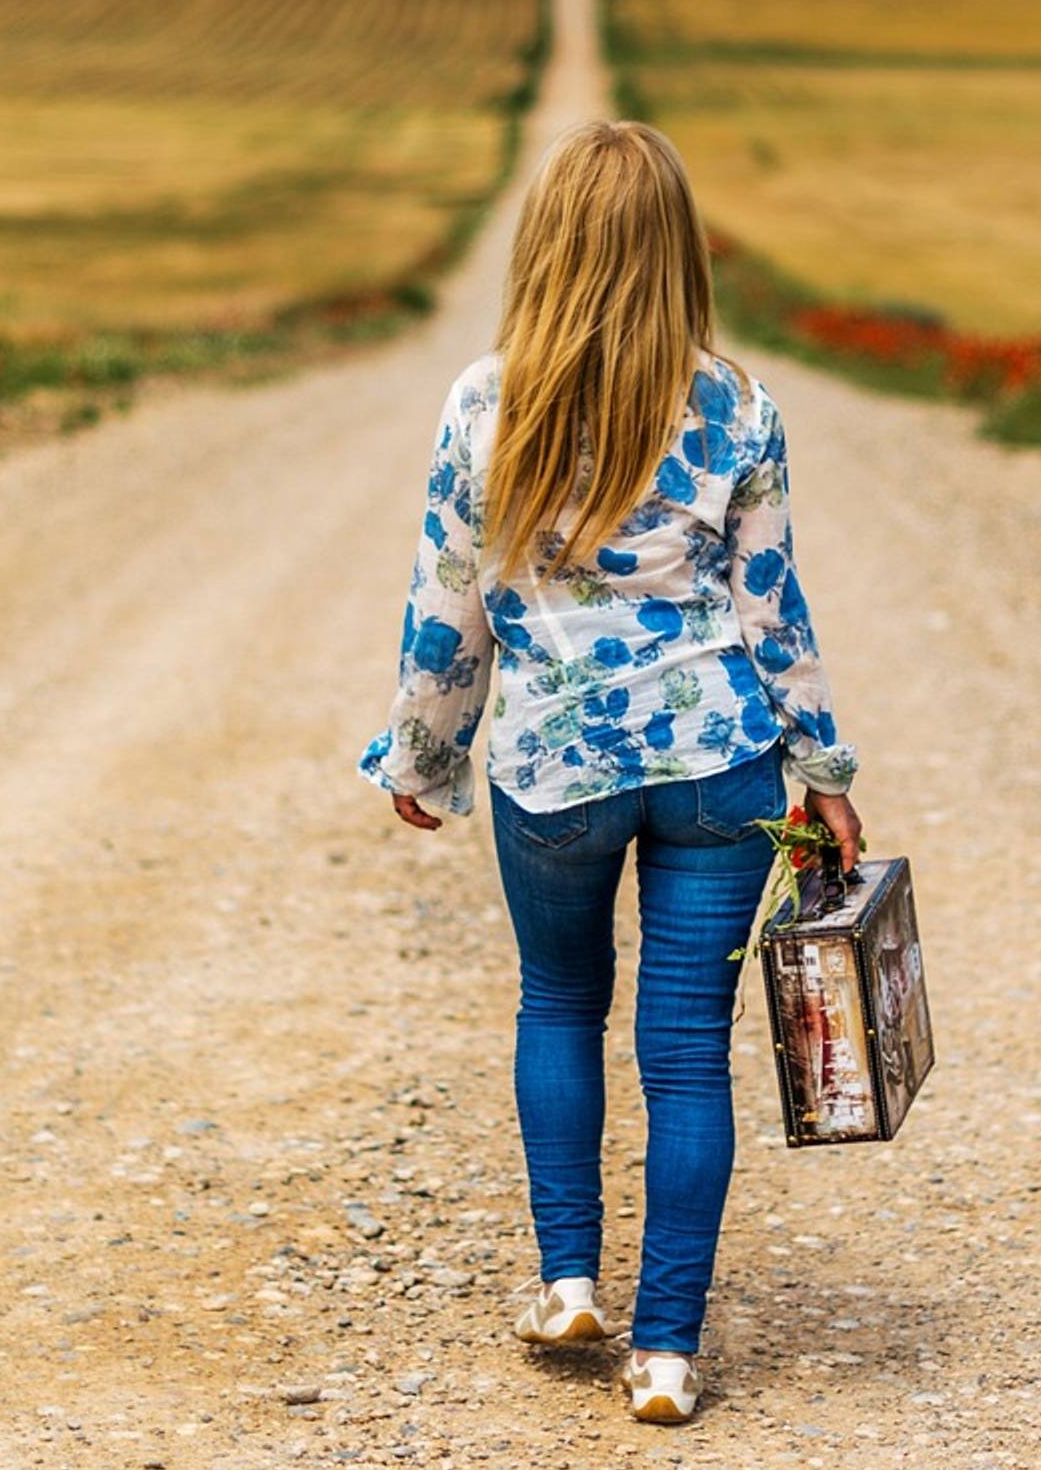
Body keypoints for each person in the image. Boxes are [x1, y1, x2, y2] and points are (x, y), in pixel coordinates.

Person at [360, 119, 861, 1427]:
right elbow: (773, 606)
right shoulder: (738, 404)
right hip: (718, 764)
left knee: (559, 1003)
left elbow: (447, 604)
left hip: (555, 771)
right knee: (688, 1057)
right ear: (677, 254)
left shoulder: (488, 399)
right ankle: (664, 1355)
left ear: (550, 247)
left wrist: (425, 751)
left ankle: (571, 1277)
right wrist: (824, 766)